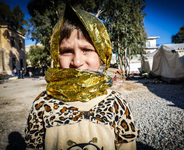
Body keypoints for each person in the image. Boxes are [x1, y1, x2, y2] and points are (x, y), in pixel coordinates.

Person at [25, 4, 139, 150]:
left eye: (86, 50)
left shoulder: (117, 104)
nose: (77, 62)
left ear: (102, 55)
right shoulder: (42, 104)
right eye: (66, 51)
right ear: (55, 54)